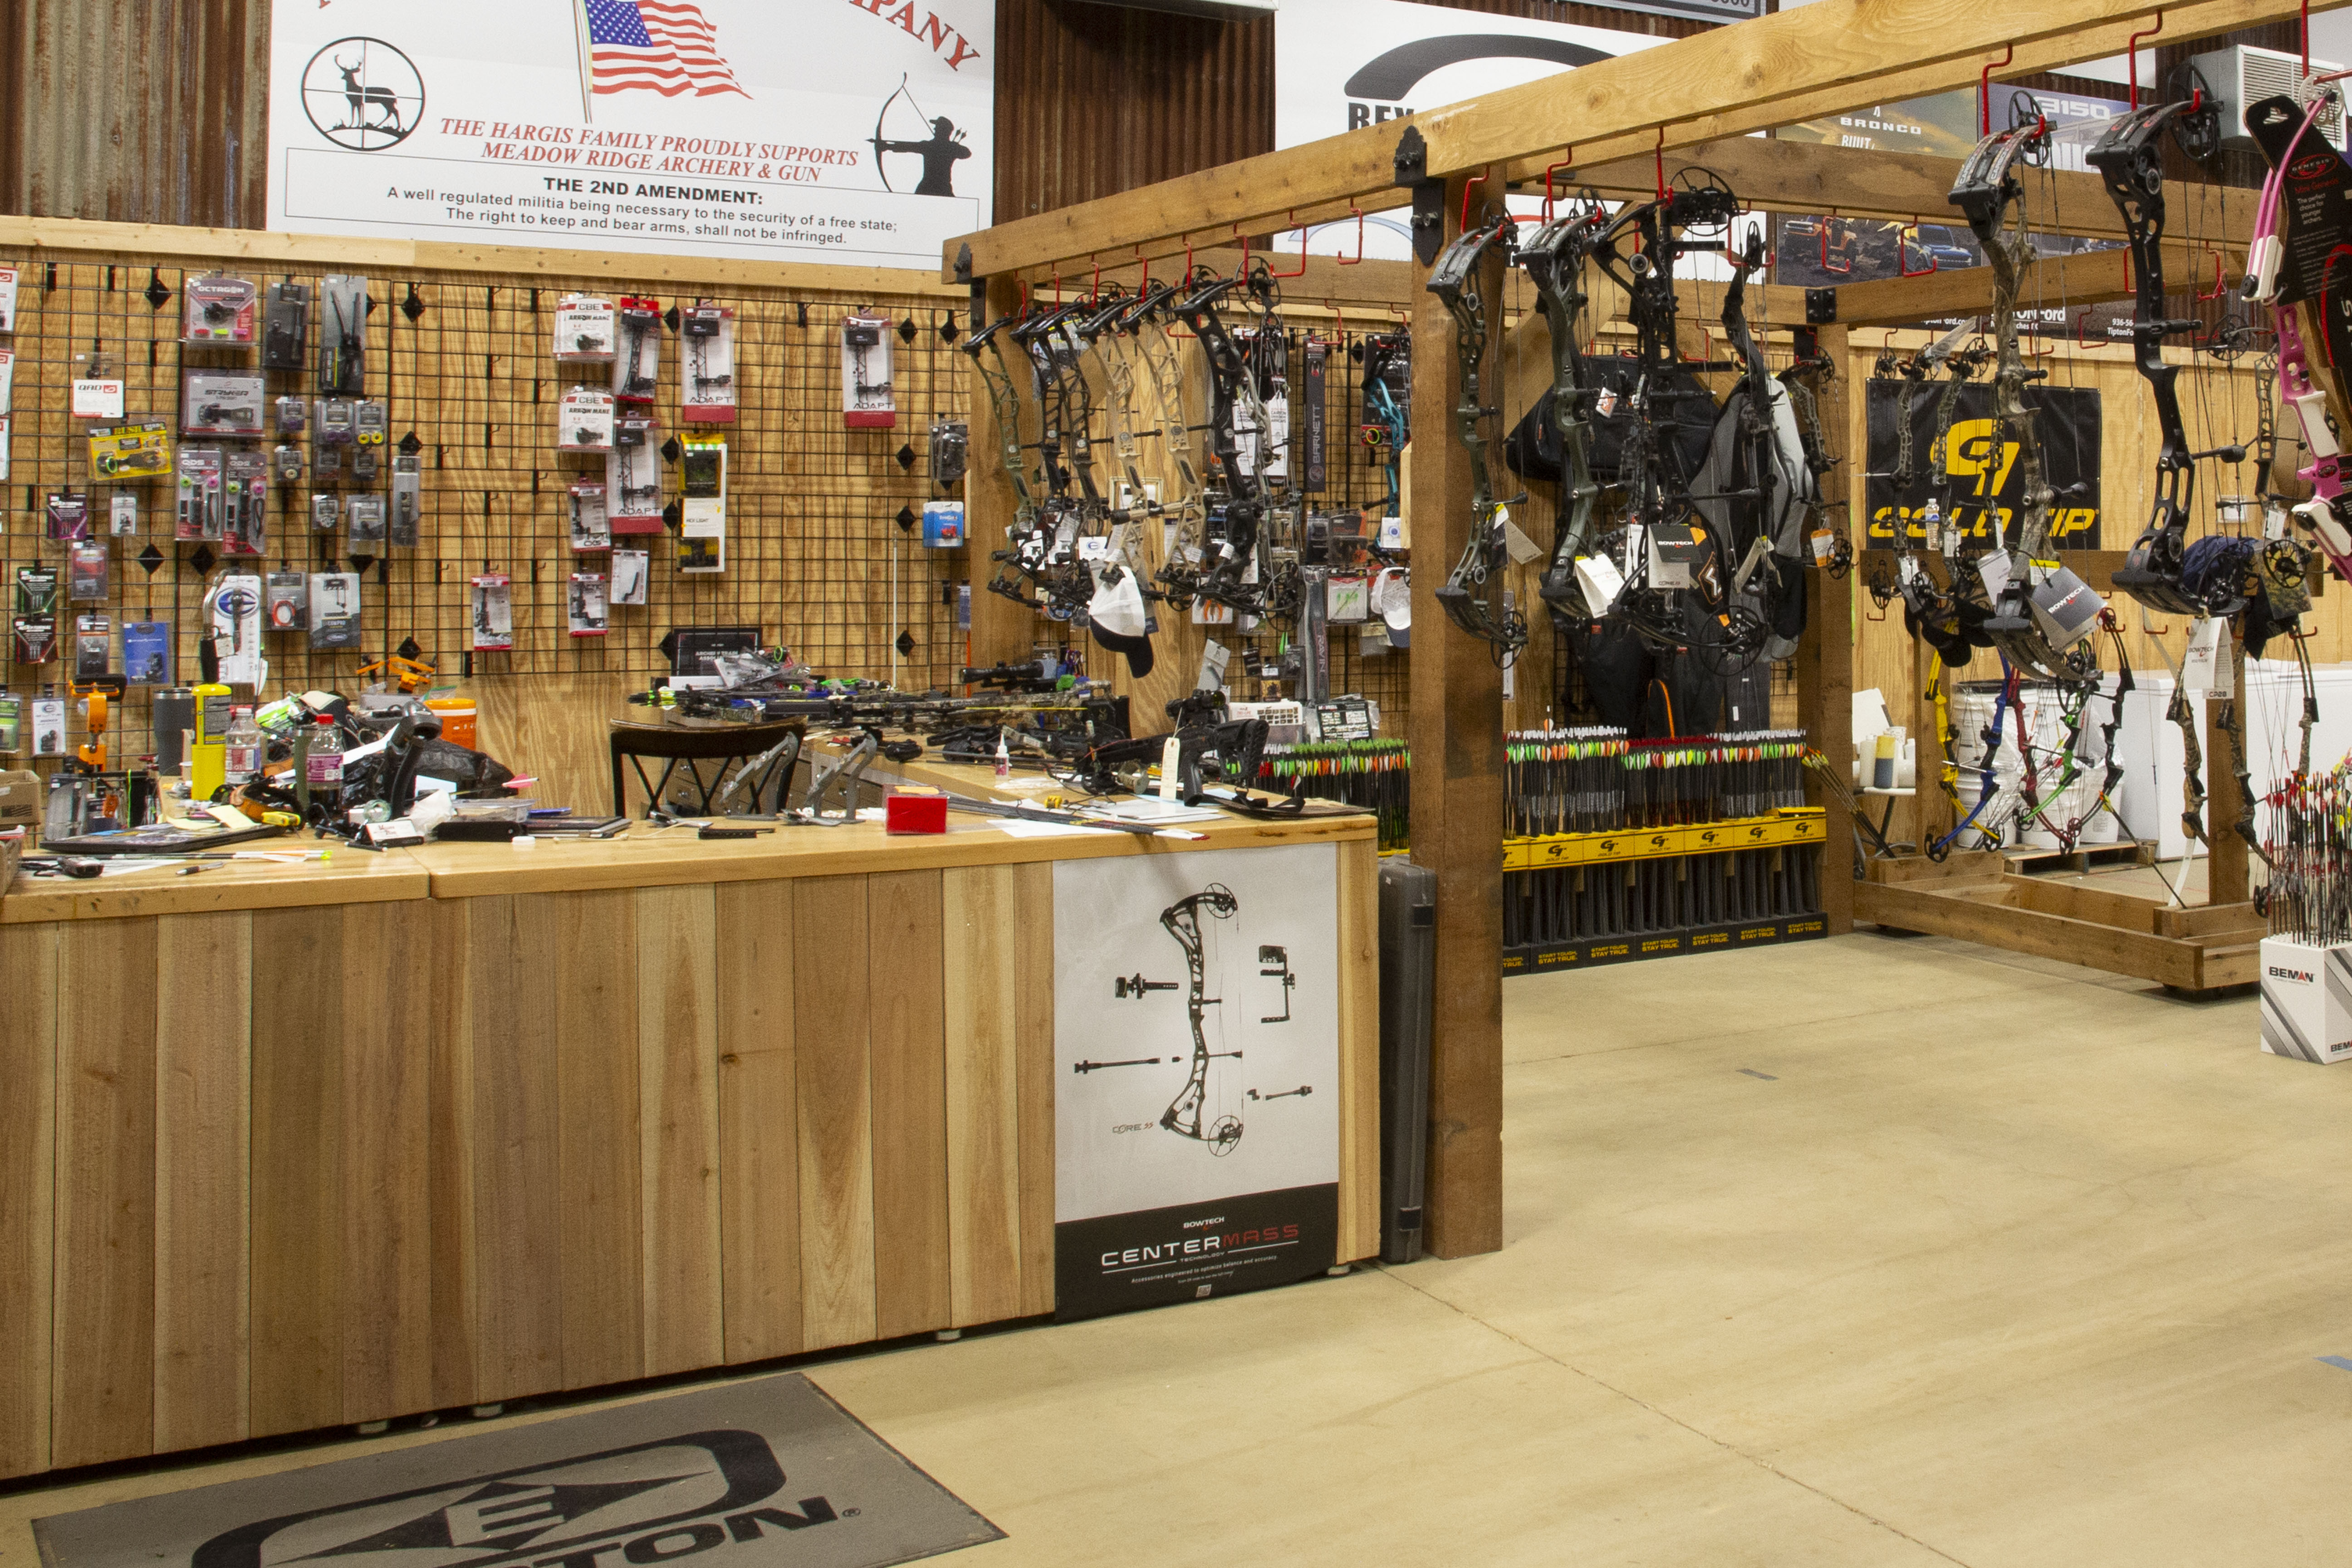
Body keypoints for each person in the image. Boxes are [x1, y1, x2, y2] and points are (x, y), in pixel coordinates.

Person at [878, 117, 970, 197]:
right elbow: (910, 147)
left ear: (943, 130)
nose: (935, 128)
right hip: (939, 187)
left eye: (937, 127)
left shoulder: (931, 146)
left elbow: (967, 154)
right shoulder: (935, 146)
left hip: (930, 187)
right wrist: (888, 147)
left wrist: (887, 147)